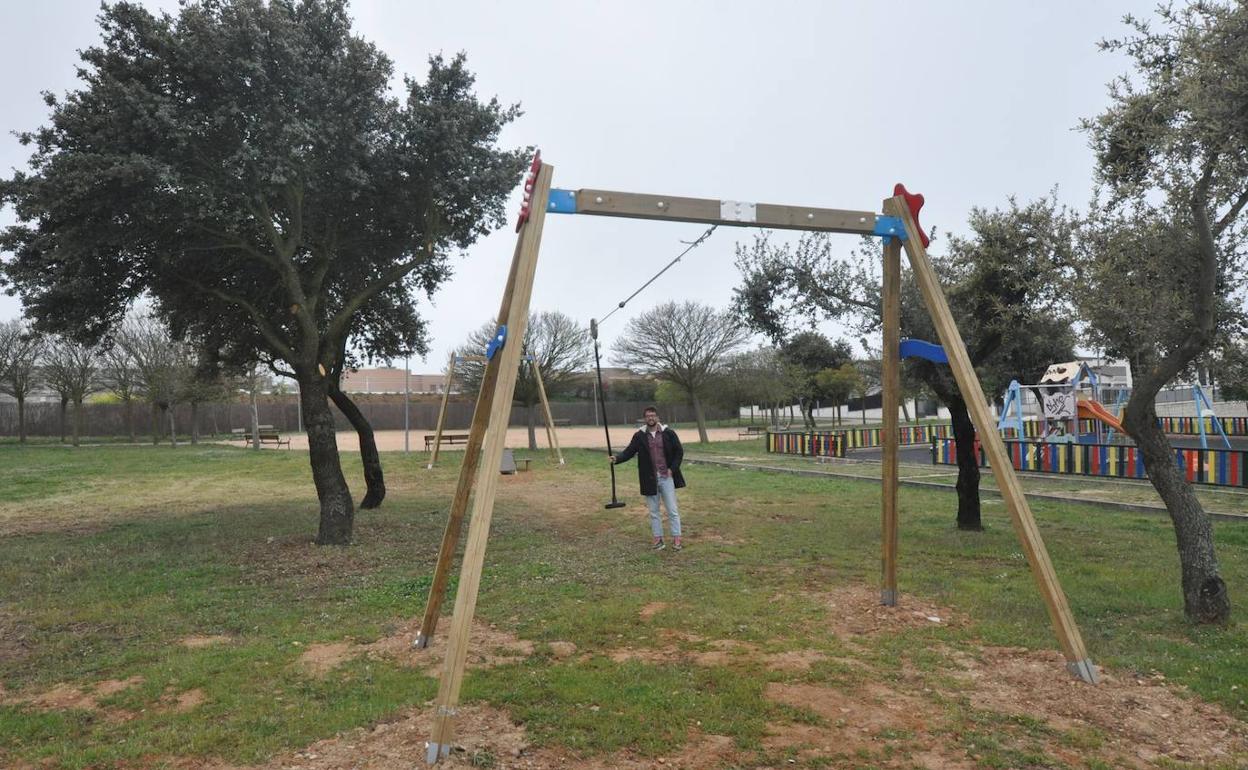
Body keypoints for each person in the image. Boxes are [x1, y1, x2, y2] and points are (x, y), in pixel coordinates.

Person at [610, 406, 685, 551]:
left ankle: (677, 539)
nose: (651, 418)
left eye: (653, 415)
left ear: (657, 417)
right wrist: (617, 458)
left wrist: (672, 469)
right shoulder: (639, 436)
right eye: (648, 416)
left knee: (672, 510)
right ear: (645, 418)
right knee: (654, 512)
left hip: (666, 477)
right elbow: (629, 451)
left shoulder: (668, 433)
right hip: (649, 479)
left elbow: (679, 452)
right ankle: (658, 540)